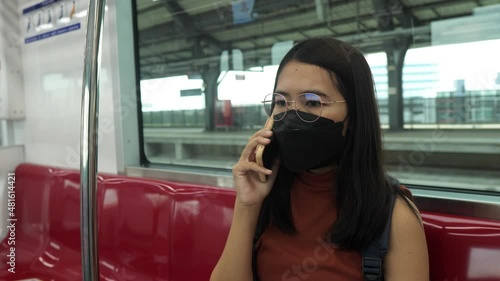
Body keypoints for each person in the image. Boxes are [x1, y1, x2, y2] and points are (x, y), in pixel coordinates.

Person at [210, 37, 429, 281]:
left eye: (313, 102)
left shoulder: (394, 216)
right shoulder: (265, 201)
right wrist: (247, 205)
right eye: (281, 102)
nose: (292, 115)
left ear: (354, 117)